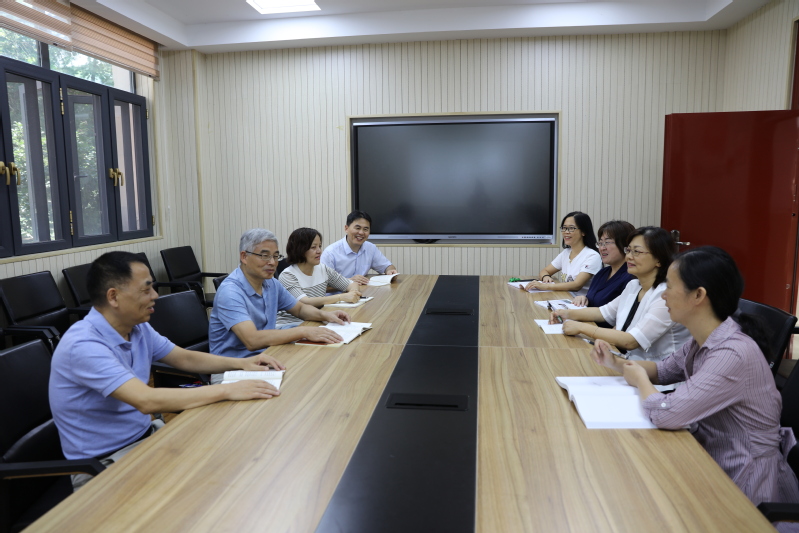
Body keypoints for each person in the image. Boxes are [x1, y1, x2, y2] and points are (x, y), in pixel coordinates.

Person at [589, 247, 799, 521]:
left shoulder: (732, 353)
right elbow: (662, 371)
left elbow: (667, 413)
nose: (663, 295)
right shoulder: (704, 338)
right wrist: (616, 363)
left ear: (698, 295)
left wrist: (639, 380)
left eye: (670, 287)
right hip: (707, 456)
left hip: (742, 480)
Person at [49, 251, 286, 487]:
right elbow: (146, 400)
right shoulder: (84, 345)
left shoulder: (137, 327)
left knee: (229, 458)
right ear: (114, 296)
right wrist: (227, 390)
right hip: (102, 465)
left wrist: (242, 363)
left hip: (145, 439)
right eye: (146, 290)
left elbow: (184, 358)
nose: (155, 295)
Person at [210, 229, 353, 382]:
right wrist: (303, 331)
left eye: (275, 256)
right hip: (232, 370)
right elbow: (252, 340)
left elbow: (299, 308)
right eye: (265, 256)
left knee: (319, 370)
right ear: (244, 256)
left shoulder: (270, 283)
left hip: (267, 356)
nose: (272, 262)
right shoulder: (230, 292)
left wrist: (325, 315)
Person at [550, 226, 689, 361]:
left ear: (659, 259)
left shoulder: (665, 295)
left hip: (659, 372)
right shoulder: (634, 285)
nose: (629, 257)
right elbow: (603, 312)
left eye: (637, 252)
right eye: (628, 250)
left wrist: (581, 327)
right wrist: (566, 313)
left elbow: (632, 341)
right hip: (629, 362)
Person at [277, 227, 363, 327]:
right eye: (313, 247)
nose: (319, 251)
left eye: (320, 246)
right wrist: (341, 297)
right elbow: (304, 302)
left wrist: (353, 293)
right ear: (300, 249)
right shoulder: (288, 275)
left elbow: (352, 284)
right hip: (290, 324)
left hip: (316, 319)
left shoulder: (323, 269)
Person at [525, 211, 601, 297]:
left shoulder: (592, 256)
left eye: (571, 228)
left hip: (581, 303)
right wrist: (546, 277)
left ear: (583, 232)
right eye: (564, 228)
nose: (566, 232)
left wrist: (546, 286)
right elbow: (545, 271)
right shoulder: (566, 253)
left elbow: (576, 285)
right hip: (564, 298)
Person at [572, 220, 636, 317]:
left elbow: (617, 316)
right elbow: (594, 300)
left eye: (607, 242)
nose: (602, 248)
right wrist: (584, 298)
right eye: (601, 243)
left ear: (625, 245)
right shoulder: (603, 272)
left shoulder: (631, 278)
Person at [320, 210, 397, 286]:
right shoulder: (330, 252)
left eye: (365, 229)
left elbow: (387, 266)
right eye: (357, 228)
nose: (361, 232)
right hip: (339, 293)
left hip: (363, 292)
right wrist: (348, 281)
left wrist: (390, 270)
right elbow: (322, 284)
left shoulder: (370, 248)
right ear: (346, 228)